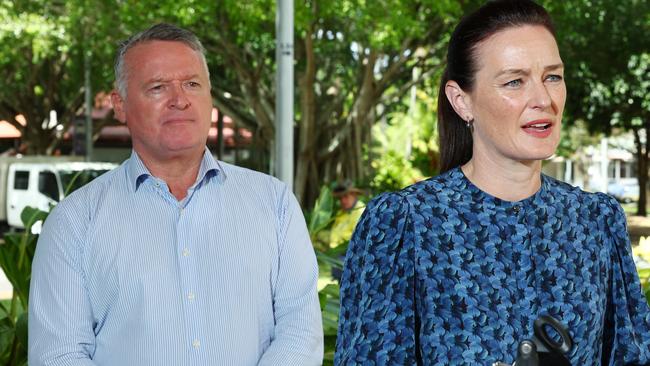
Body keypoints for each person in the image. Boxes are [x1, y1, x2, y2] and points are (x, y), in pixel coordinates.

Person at [335, 1, 650, 365]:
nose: (543, 99)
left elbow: (631, 355)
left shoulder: (596, 220)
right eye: (514, 81)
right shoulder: (405, 223)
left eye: (552, 77)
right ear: (461, 101)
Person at [29, 23, 323, 365]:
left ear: (210, 97)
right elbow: (59, 354)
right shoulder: (75, 221)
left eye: (192, 84)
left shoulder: (274, 203)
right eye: (157, 87)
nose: (180, 100)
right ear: (120, 105)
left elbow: (299, 331)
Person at [329, 181, 365, 249]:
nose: (343, 201)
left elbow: (358, 239)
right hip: (334, 251)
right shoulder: (341, 212)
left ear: (354, 195)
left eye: (346, 196)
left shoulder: (361, 211)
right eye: (340, 198)